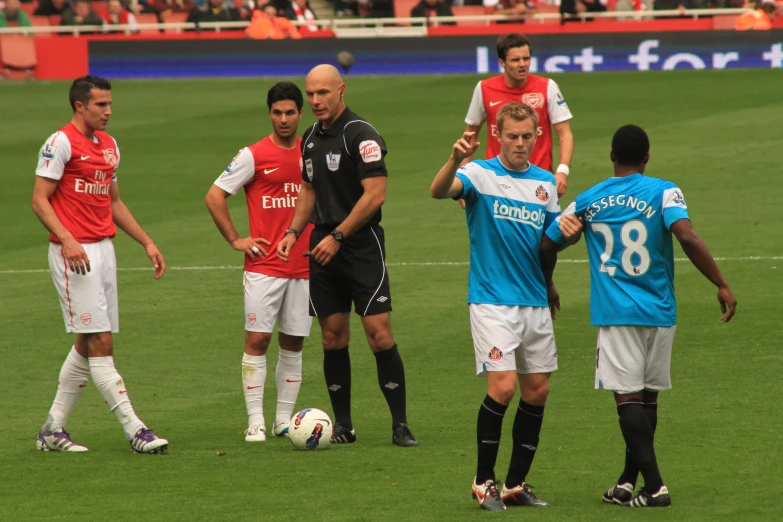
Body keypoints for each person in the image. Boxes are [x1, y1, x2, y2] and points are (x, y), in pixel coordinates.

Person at [541, 124, 737, 508]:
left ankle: (657, 486)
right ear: (647, 158)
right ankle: (628, 482)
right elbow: (687, 236)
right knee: (647, 401)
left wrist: (552, 276)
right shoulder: (665, 191)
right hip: (661, 312)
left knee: (628, 401)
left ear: (611, 156)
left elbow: (548, 243)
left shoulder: (587, 200)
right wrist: (721, 283)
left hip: (618, 314)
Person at [276, 64, 418, 447]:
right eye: (311, 94)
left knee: (379, 334)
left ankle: (400, 424)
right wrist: (293, 231)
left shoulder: (362, 135)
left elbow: (375, 195)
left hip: (360, 244)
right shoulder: (308, 139)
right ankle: (343, 426)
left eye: (323, 93)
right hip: (323, 245)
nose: (316, 101)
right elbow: (308, 190)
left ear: (341, 90)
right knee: (332, 338)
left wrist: (339, 235)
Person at [430, 102, 560, 511]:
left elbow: (546, 245)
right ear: (498, 137)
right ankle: (484, 481)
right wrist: (454, 159)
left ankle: (515, 484)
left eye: (526, 136)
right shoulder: (478, 173)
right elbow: (438, 191)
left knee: (537, 391)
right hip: (491, 301)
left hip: (535, 301)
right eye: (512, 136)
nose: (519, 143)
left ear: (537, 136)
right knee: (503, 387)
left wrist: (550, 285)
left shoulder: (545, 185)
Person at [31, 75, 168, 454]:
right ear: (80, 106)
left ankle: (52, 430)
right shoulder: (59, 143)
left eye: (109, 104)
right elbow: (40, 199)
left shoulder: (109, 146)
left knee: (87, 340)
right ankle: (134, 428)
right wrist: (68, 239)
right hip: (74, 254)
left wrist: (147, 241)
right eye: (101, 105)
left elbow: (114, 202)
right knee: (101, 340)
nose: (108, 111)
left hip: (104, 251)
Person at [205, 82, 312, 442]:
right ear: (270, 114)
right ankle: (255, 421)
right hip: (264, 265)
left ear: (301, 113)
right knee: (258, 340)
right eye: (277, 113)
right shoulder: (253, 155)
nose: (284, 119)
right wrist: (236, 239)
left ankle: (283, 419)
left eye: (290, 112)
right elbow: (214, 196)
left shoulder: (310, 152)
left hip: (305, 265)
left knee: (294, 342)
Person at [464, 33, 574, 198]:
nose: (523, 64)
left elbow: (565, 134)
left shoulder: (547, 87)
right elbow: (469, 137)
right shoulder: (484, 89)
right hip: (495, 181)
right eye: (516, 60)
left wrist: (562, 171)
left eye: (526, 58)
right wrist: (465, 179)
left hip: (539, 180)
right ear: (502, 62)